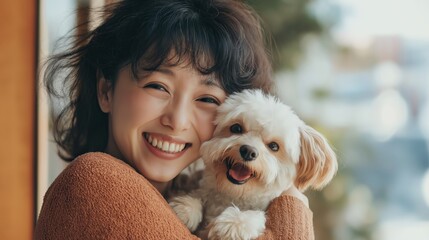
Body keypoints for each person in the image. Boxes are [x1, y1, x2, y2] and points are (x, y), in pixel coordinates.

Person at [35, 0, 314, 239]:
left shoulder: (189, 196)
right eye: (157, 86)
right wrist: (291, 201)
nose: (177, 120)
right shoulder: (93, 184)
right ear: (106, 90)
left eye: (207, 99)